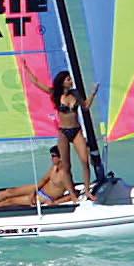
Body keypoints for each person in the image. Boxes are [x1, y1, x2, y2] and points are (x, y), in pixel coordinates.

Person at [23, 64, 99, 197]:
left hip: (76, 131)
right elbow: (36, 82)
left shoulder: (75, 93)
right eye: (69, 79)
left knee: (85, 160)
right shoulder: (56, 94)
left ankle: (87, 191)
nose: (71, 81)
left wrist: (93, 93)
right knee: (66, 166)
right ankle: (72, 194)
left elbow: (85, 106)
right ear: (63, 82)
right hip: (63, 132)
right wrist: (26, 68)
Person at [0, 145, 77, 211]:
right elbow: (43, 181)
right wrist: (33, 191)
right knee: (9, 192)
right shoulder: (54, 167)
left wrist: (55, 202)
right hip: (38, 189)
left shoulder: (65, 174)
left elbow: (73, 194)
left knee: (9, 201)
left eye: (53, 156)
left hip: (44, 197)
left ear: (61, 157)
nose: (52, 159)